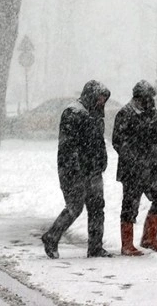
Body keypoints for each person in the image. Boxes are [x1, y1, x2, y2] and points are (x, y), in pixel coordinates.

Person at [41, 80, 114, 259]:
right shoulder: (73, 113)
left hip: (93, 170)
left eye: (104, 99)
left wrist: (102, 160)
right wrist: (74, 169)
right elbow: (68, 146)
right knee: (75, 206)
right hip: (74, 171)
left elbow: (98, 142)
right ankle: (51, 236)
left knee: (97, 207)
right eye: (99, 98)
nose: (102, 102)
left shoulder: (96, 115)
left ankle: (95, 247)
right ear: (91, 95)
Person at [112, 80, 157, 256]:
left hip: (151, 167)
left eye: (151, 97)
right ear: (138, 97)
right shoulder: (125, 114)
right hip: (132, 170)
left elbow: (153, 140)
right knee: (130, 205)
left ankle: (149, 238)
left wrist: (156, 163)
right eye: (147, 98)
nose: (150, 101)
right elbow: (118, 142)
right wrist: (134, 160)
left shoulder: (152, 112)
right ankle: (127, 245)